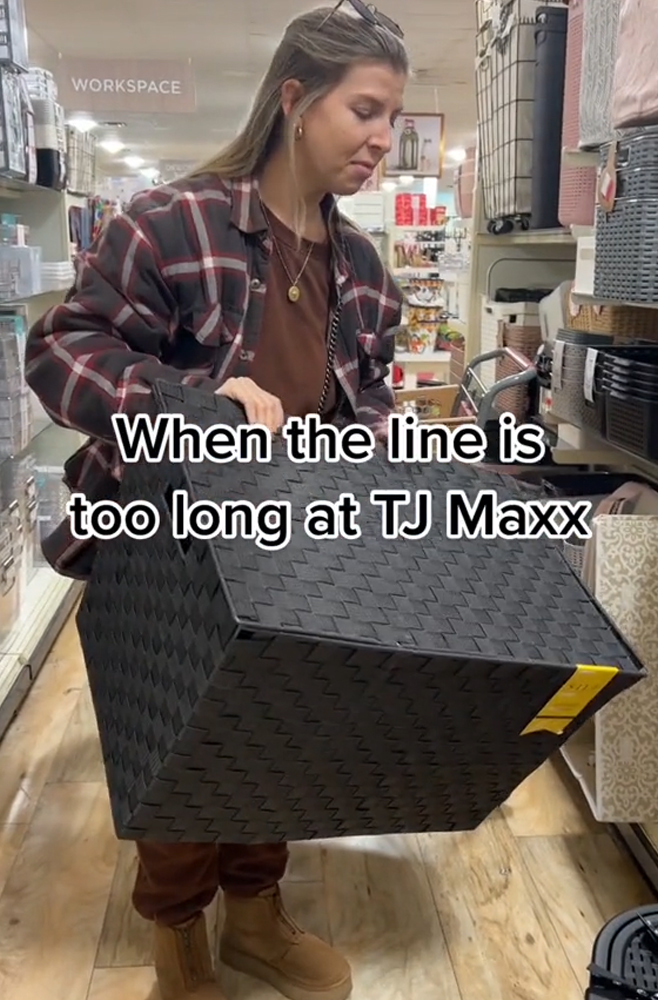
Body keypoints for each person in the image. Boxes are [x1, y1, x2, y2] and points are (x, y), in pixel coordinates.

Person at [22, 7, 409, 1000]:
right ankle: (177, 947)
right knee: (178, 751)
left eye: (393, 119)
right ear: (293, 97)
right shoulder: (171, 223)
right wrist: (185, 404)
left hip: (290, 547)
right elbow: (62, 352)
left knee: (276, 733)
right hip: (167, 555)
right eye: (365, 109)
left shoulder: (363, 271)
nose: (381, 138)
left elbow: (366, 403)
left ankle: (257, 919)